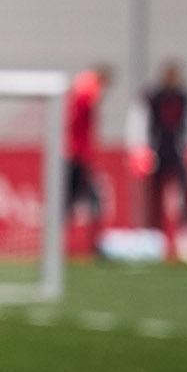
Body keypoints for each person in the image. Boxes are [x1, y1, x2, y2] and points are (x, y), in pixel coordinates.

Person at [137, 61, 187, 237]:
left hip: (178, 150)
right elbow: (143, 121)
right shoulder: (154, 97)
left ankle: (186, 230)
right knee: (154, 193)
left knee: (184, 189)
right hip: (158, 148)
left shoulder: (184, 97)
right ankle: (153, 230)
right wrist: (143, 148)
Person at [64, 64, 113, 255]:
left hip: (79, 156)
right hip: (76, 157)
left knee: (83, 200)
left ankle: (94, 244)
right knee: (85, 200)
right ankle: (93, 244)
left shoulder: (85, 90)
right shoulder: (87, 91)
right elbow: (82, 104)